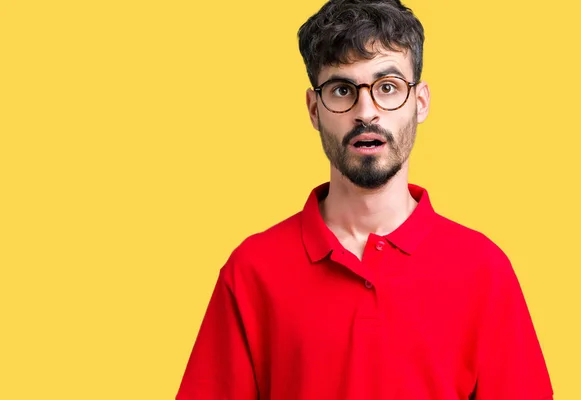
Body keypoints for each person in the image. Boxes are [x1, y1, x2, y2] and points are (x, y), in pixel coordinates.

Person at [176, 0, 553, 399]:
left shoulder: (484, 271)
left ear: (420, 102)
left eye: (387, 87)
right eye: (342, 90)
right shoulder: (252, 271)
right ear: (313, 108)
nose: (366, 111)